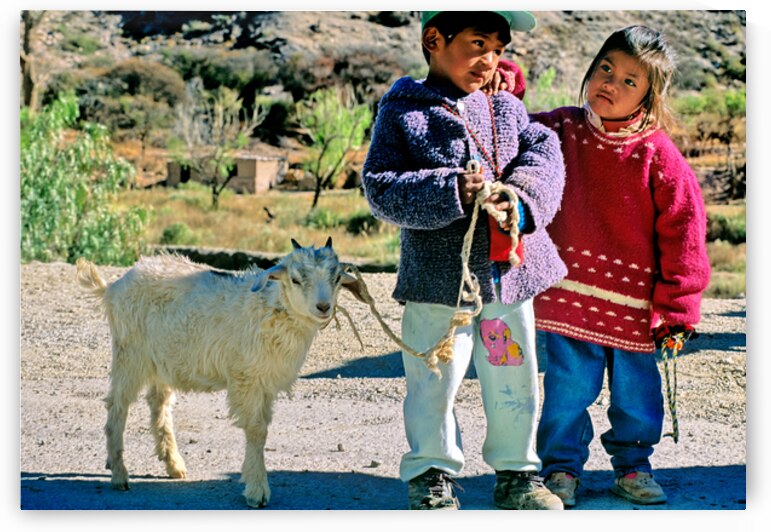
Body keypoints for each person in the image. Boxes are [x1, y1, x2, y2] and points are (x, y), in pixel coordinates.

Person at [493, 25, 711, 507]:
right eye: (605, 69)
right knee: (567, 392)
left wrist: (677, 307)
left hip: (635, 306)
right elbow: (512, 133)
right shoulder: (562, 130)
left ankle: (632, 467)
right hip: (569, 295)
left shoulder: (658, 156)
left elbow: (684, 233)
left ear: (649, 98)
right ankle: (561, 470)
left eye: (629, 81)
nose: (609, 83)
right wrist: (508, 88)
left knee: (637, 396)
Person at [362, 11, 567, 510]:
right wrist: (450, 188)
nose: (490, 59)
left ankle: (517, 472)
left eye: (498, 48)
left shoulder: (505, 108)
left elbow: (544, 151)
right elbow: (380, 186)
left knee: (513, 374)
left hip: (507, 276)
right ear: (435, 40)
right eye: (478, 43)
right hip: (438, 280)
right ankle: (431, 471)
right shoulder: (403, 112)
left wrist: (517, 198)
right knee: (434, 377)